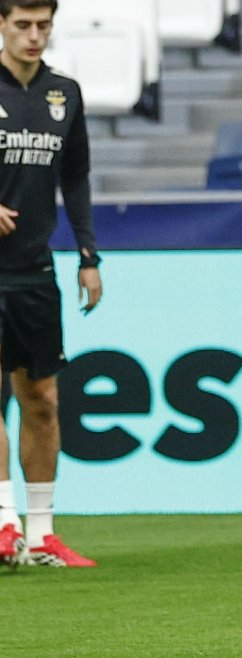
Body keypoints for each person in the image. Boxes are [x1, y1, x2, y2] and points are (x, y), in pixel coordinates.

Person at [0, 0, 101, 569]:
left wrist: (89, 254)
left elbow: (77, 173)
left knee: (41, 399)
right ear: (1, 24)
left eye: (43, 25)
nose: (34, 36)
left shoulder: (65, 93)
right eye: (23, 25)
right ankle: (3, 523)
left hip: (36, 267)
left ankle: (40, 536)